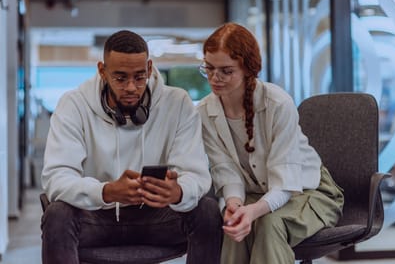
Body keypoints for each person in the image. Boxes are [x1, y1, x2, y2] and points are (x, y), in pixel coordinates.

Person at [41, 30, 222, 264]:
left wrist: (178, 192)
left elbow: (196, 174)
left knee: (207, 211)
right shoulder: (73, 105)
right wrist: (106, 191)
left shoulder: (177, 103)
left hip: (157, 219)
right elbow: (56, 178)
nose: (131, 87)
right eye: (120, 78)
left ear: (149, 69)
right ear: (102, 71)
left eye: (139, 77)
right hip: (96, 218)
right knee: (57, 215)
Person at [197, 22, 344, 264]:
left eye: (226, 71)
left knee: (268, 224)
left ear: (247, 69)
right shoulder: (204, 112)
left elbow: (285, 183)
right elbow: (226, 172)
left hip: (308, 190)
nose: (215, 78)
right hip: (255, 193)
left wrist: (253, 211)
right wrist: (234, 204)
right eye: (209, 68)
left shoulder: (277, 103)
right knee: (233, 228)